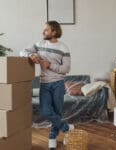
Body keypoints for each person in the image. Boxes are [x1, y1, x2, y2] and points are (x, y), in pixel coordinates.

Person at [20, 21, 74, 149]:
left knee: (57, 112)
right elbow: (22, 51)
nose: (43, 32)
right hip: (44, 84)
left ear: (54, 32)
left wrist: (50, 65)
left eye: (46, 30)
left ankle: (52, 138)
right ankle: (66, 127)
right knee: (46, 111)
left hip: (59, 84)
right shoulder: (39, 45)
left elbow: (66, 69)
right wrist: (31, 55)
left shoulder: (63, 48)